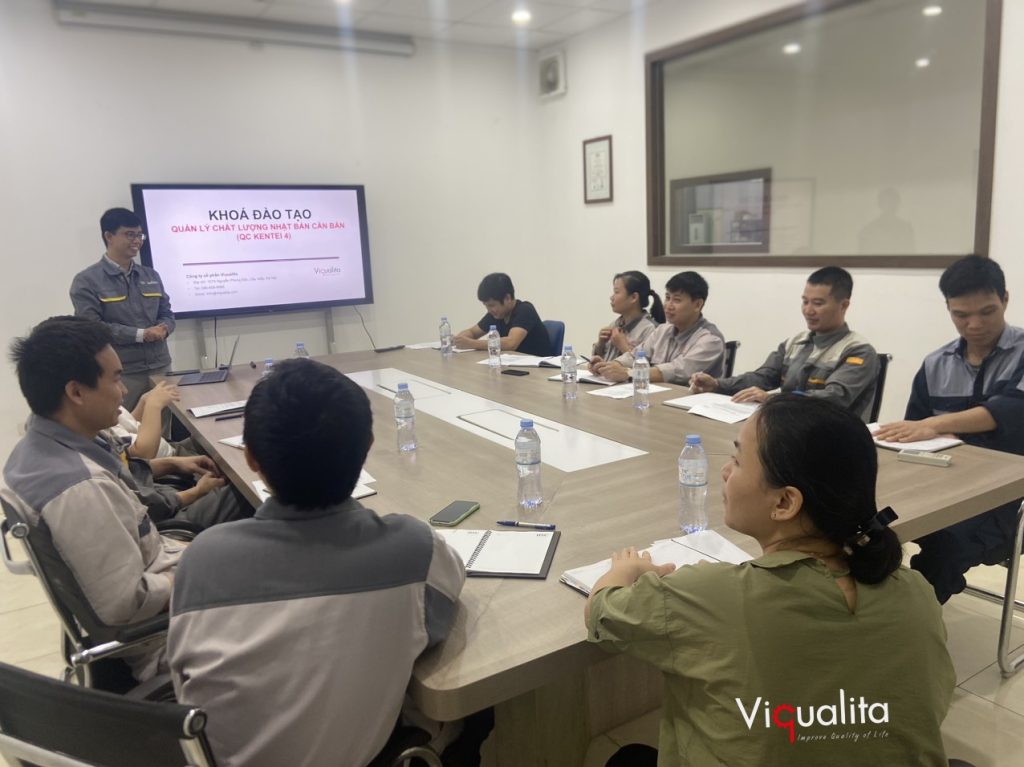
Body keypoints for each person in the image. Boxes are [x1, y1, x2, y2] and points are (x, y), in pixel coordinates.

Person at [586, 396, 954, 766]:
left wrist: (627, 568)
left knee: (628, 758)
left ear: (784, 503)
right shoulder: (917, 593)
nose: (725, 471)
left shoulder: (711, 595)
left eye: (737, 460)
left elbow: (602, 611)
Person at [167, 358, 467, 767]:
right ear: (368, 447)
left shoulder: (203, 561)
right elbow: (441, 611)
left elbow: (185, 684)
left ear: (251, 458)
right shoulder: (414, 549)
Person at [1, 316, 193, 681]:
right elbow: (127, 605)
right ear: (76, 393)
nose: (123, 391)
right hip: (168, 639)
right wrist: (201, 571)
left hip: (162, 574)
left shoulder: (41, 445)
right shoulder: (78, 489)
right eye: (116, 379)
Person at [875, 255, 1024, 603]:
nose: (974, 324)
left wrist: (934, 425)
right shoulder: (935, 364)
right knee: (869, 527)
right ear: (948, 309)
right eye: (961, 315)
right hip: (942, 485)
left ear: (1005, 299)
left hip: (1006, 498)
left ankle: (913, 622)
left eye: (987, 312)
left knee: (944, 547)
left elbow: (1012, 410)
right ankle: (875, 611)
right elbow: (912, 433)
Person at [689, 266, 880, 421]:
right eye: (805, 302)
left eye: (818, 303)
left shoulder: (858, 351)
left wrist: (773, 399)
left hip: (832, 437)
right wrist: (717, 384)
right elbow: (762, 378)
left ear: (844, 305)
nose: (808, 310)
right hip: (786, 427)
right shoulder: (795, 343)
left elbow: (834, 398)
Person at [70, 207, 175, 411]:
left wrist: (165, 327)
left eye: (139, 235)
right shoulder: (87, 280)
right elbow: (92, 328)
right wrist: (140, 335)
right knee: (125, 425)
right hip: (121, 373)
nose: (137, 241)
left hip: (161, 367)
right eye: (129, 234)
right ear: (109, 236)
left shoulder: (150, 275)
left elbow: (167, 313)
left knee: (163, 424)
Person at [590, 271, 724, 384]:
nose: (668, 305)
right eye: (667, 298)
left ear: (697, 305)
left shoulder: (711, 339)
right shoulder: (663, 330)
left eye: (677, 300)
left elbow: (677, 370)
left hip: (688, 402)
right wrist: (609, 366)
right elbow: (634, 356)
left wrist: (628, 373)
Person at [453, 273, 550, 356]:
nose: (489, 310)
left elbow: (511, 343)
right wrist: (459, 340)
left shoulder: (525, 310)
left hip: (537, 368)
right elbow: (473, 332)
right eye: (486, 306)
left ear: (507, 298)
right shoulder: (496, 315)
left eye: (491, 305)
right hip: (511, 366)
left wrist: (472, 343)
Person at [592, 270, 664, 359]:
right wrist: (601, 344)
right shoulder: (615, 324)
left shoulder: (650, 329)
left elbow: (647, 365)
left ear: (634, 297)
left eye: (616, 292)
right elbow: (601, 359)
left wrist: (623, 346)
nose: (611, 297)